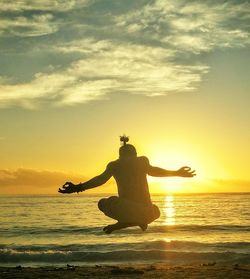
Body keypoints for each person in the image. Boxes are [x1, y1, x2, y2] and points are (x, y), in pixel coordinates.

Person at [58, 136, 196, 234]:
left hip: (128, 209)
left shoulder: (115, 165)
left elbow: (100, 180)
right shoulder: (142, 161)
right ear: (135, 154)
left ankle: (122, 224)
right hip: (148, 213)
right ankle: (133, 222)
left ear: (120, 155)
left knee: (103, 203)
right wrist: (177, 173)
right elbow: (155, 171)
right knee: (157, 211)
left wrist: (77, 187)